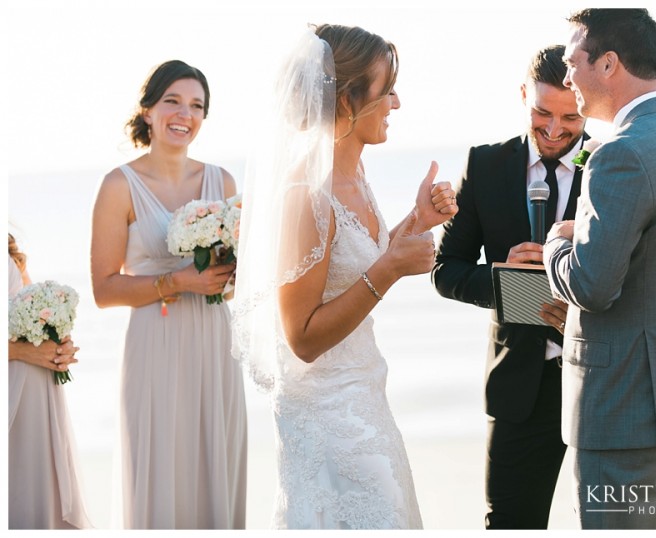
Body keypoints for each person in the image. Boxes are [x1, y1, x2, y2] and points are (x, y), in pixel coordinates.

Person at [232, 24, 457, 529]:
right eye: (387, 90)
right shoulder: (305, 195)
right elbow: (302, 339)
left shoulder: (353, 174)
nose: (396, 103)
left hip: (365, 397)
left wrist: (417, 220)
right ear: (348, 100)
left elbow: (353, 255)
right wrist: (391, 270)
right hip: (327, 419)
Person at [543, 9, 656, 529]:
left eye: (571, 61)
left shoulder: (621, 154)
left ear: (608, 63)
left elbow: (591, 286)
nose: (567, 76)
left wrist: (560, 245)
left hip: (623, 410)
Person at [432, 45, 589, 529]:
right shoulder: (485, 165)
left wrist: (584, 314)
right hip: (520, 389)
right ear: (523, 95)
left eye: (570, 117)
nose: (555, 129)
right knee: (510, 525)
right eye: (542, 112)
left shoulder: (613, 164)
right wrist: (506, 279)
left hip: (600, 379)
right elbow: (447, 270)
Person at [90, 60, 247, 529]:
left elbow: (236, 280)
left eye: (196, 105)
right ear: (148, 111)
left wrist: (233, 277)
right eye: (173, 102)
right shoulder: (119, 186)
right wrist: (176, 282)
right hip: (153, 345)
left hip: (215, 345)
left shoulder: (224, 183)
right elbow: (103, 289)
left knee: (212, 464)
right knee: (156, 468)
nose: (185, 114)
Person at [7, 233, 92, 529]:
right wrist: (20, 351)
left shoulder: (7, 248)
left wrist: (58, 343)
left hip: (35, 397)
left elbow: (27, 312)